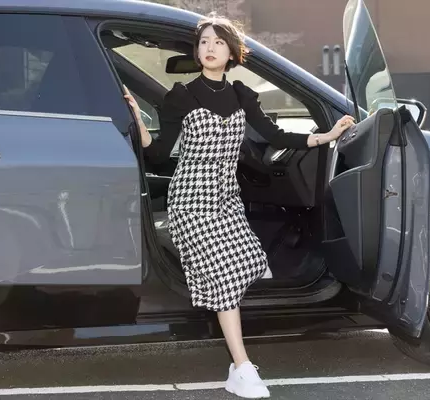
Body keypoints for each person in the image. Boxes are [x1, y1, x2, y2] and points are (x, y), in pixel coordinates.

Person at [124, 13, 355, 399]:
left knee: (251, 262)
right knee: (226, 278)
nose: (209, 48)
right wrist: (138, 121)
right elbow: (159, 154)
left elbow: (276, 136)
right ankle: (242, 367)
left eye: (217, 42)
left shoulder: (242, 95)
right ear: (197, 52)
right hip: (191, 200)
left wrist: (327, 135)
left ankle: (227, 326)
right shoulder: (181, 95)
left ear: (231, 52)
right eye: (203, 42)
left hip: (227, 198)